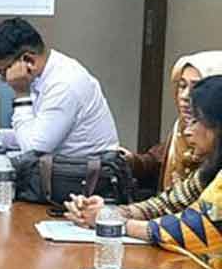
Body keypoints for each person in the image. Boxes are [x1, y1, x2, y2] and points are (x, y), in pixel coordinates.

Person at [67, 76, 222, 255]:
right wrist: (106, 212)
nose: (188, 130)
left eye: (196, 120)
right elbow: (166, 204)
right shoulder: (209, 169)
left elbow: (190, 230)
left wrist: (112, 222)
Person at [0, 17, 119, 156]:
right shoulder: (44, 74)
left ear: (29, 60)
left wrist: (21, 94)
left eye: (3, 72)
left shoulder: (63, 84)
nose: (3, 80)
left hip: (86, 168)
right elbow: (32, 132)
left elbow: (32, 151)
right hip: (67, 164)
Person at [125, 51, 222, 192]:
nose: (185, 96)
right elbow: (157, 162)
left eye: (195, 87)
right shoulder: (180, 130)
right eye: (182, 86)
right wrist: (131, 160)